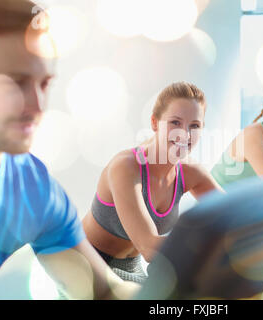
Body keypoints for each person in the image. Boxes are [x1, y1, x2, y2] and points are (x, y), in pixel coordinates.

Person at [0, 0, 139, 300]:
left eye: (44, 83)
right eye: (16, 83)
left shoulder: (32, 190)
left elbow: (104, 293)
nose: (37, 106)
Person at [82, 82, 223, 283]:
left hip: (131, 267)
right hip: (86, 263)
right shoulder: (126, 167)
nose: (184, 134)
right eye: (175, 122)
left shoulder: (190, 172)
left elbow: (232, 215)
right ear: (155, 123)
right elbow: (149, 248)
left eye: (194, 125)